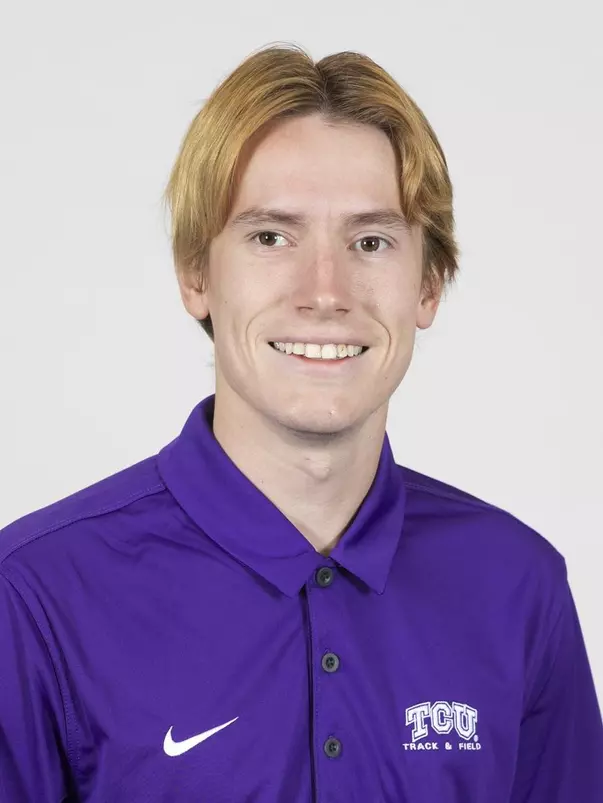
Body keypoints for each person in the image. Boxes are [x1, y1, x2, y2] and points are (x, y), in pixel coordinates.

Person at [0, 42, 601, 803]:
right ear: (195, 273)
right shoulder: (33, 595)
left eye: (370, 241)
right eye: (271, 237)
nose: (325, 291)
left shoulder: (518, 585)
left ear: (428, 284)